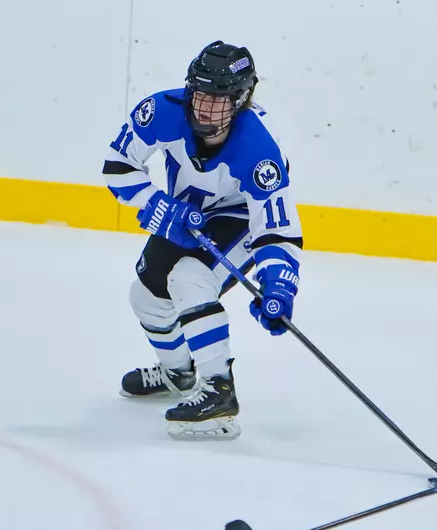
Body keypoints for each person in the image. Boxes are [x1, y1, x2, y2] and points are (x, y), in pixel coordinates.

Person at [100, 40, 303, 440]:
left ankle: (218, 391)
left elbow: (276, 227)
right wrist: (159, 206)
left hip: (239, 219)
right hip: (184, 212)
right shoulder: (161, 112)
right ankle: (179, 374)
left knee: (190, 279)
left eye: (220, 99)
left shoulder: (260, 149)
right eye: (200, 93)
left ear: (242, 99)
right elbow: (118, 166)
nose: (205, 107)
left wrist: (278, 281)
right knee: (145, 297)